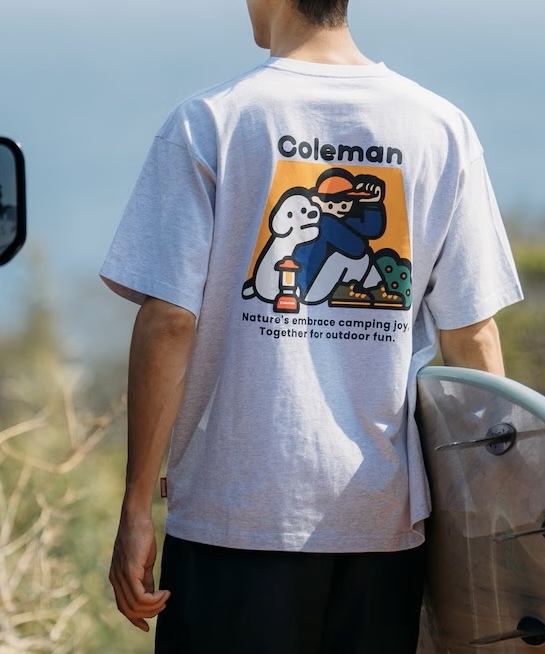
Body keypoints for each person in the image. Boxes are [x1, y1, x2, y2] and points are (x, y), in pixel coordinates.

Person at [100, 0, 523, 652]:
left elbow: (169, 322)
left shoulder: (211, 120)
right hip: (383, 525)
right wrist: (501, 519)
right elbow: (472, 337)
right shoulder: (440, 128)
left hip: (235, 515)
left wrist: (135, 508)